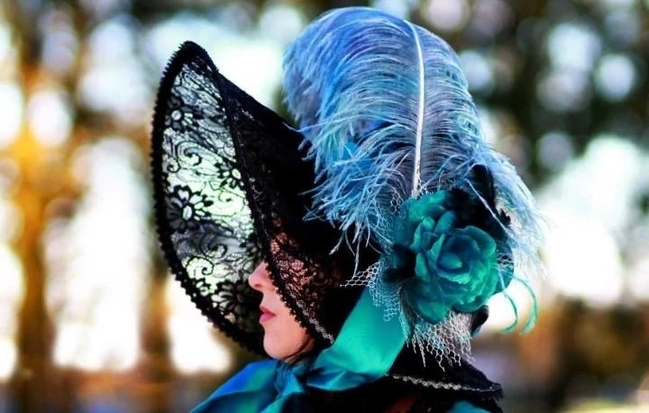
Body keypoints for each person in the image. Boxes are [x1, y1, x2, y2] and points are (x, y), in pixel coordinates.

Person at [150, 7, 544, 412]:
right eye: (267, 253)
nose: (257, 278)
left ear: (354, 274)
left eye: (286, 254)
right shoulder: (259, 397)